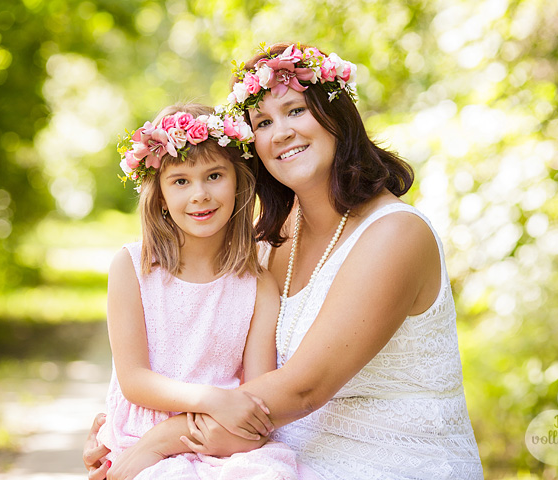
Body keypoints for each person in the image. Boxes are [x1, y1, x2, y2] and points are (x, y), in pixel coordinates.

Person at [85, 43, 484, 480]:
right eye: (263, 122)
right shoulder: (270, 241)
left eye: (296, 110)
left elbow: (304, 388)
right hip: (272, 453)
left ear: (337, 116)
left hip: (386, 463)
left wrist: (158, 442)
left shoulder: (396, 235)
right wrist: (121, 429)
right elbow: (208, 357)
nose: (281, 133)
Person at [95, 102, 321, 480]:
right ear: (161, 196)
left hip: (226, 440)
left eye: (214, 175)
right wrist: (211, 399)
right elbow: (134, 380)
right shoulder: (132, 268)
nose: (199, 194)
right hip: (143, 435)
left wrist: (229, 421)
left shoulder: (258, 286)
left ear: (238, 180)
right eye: (180, 181)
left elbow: (257, 393)